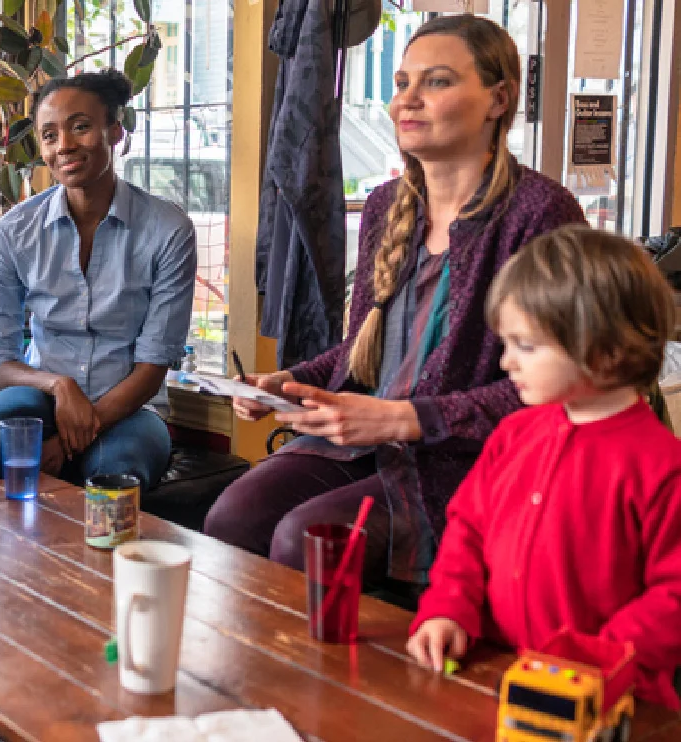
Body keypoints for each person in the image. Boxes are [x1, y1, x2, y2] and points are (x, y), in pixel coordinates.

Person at [203, 15, 587, 583]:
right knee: (233, 515)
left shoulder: (540, 214)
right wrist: (288, 381)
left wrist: (404, 418)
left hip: (463, 459)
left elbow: (552, 389)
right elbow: (368, 351)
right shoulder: (387, 206)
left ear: (498, 99)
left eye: (436, 82)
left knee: (306, 540)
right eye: (402, 83)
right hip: (365, 443)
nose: (407, 100)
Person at [408, 226, 681, 709]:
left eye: (526, 346)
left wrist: (593, 660)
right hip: (497, 677)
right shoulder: (513, 434)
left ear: (607, 349)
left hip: (614, 702)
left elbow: (674, 597)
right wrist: (448, 608)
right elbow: (467, 531)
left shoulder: (661, 465)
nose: (506, 362)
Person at [0, 69, 197, 491]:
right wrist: (58, 385)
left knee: (116, 467)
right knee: (9, 415)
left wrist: (75, 436)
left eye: (81, 127)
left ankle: (101, 559)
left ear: (114, 131)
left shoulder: (168, 230)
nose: (65, 146)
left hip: (133, 409)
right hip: (42, 396)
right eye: (50, 135)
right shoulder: (15, 231)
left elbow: (152, 367)